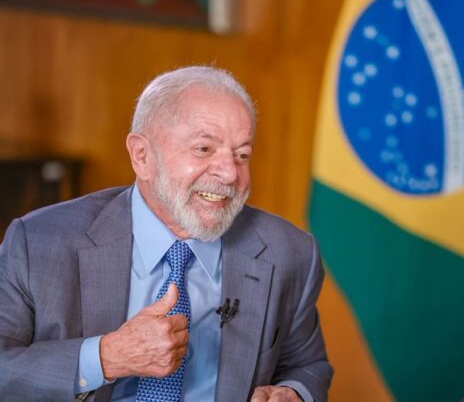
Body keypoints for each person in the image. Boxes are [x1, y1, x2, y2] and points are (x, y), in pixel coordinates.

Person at [0, 66, 332, 402]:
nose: (230, 173)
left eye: (242, 154)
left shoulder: (289, 252)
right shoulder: (38, 242)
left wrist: (294, 393)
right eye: (204, 149)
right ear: (142, 156)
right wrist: (106, 358)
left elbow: (306, 365)